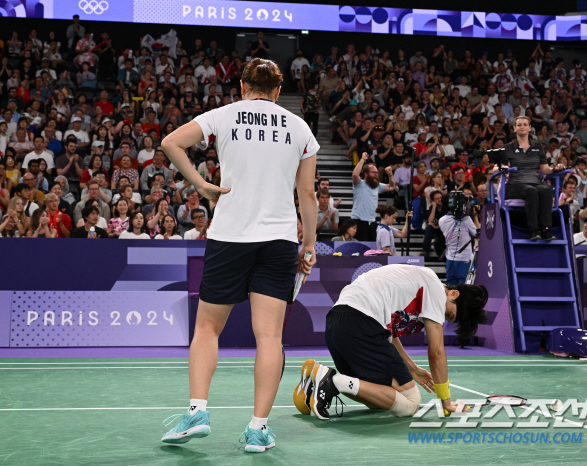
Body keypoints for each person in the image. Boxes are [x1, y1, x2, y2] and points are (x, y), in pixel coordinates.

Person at [160, 58, 318, 452]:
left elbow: (170, 143)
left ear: (243, 87)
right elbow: (308, 195)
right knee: (269, 337)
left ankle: (197, 411)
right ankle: (257, 428)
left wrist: (202, 185)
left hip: (229, 237)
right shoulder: (299, 128)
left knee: (207, 329)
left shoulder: (225, 114)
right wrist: (310, 244)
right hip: (279, 241)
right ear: (278, 91)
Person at [296, 264, 488, 421]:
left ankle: (313, 383)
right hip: (361, 323)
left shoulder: (418, 283)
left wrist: (412, 368)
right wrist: (446, 402)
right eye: (448, 314)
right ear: (453, 294)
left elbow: (390, 335)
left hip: (337, 324)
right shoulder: (436, 289)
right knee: (411, 403)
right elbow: (437, 352)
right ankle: (333, 381)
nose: (442, 318)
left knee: (377, 400)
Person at [489, 116, 564, 241]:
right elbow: (495, 168)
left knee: (545, 190)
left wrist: (556, 168)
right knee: (531, 191)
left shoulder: (538, 147)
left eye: (525, 124)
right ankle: (533, 230)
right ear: (514, 129)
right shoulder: (508, 148)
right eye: (519, 125)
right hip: (513, 185)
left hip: (535, 182)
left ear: (530, 128)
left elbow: (545, 170)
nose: (522, 127)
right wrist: (500, 168)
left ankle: (545, 229)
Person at [351, 152, 396, 241]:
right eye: (373, 172)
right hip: (359, 222)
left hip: (372, 222)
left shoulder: (377, 185)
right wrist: (363, 159)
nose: (376, 174)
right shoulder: (359, 183)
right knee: (360, 251)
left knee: (373, 250)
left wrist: (390, 175)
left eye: (377, 172)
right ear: (366, 174)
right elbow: (355, 175)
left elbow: (392, 186)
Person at [439, 193, 481, 285]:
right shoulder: (466, 219)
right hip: (464, 260)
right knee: (464, 286)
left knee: (451, 286)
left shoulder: (441, 220)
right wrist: (475, 216)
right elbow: (478, 233)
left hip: (450, 259)